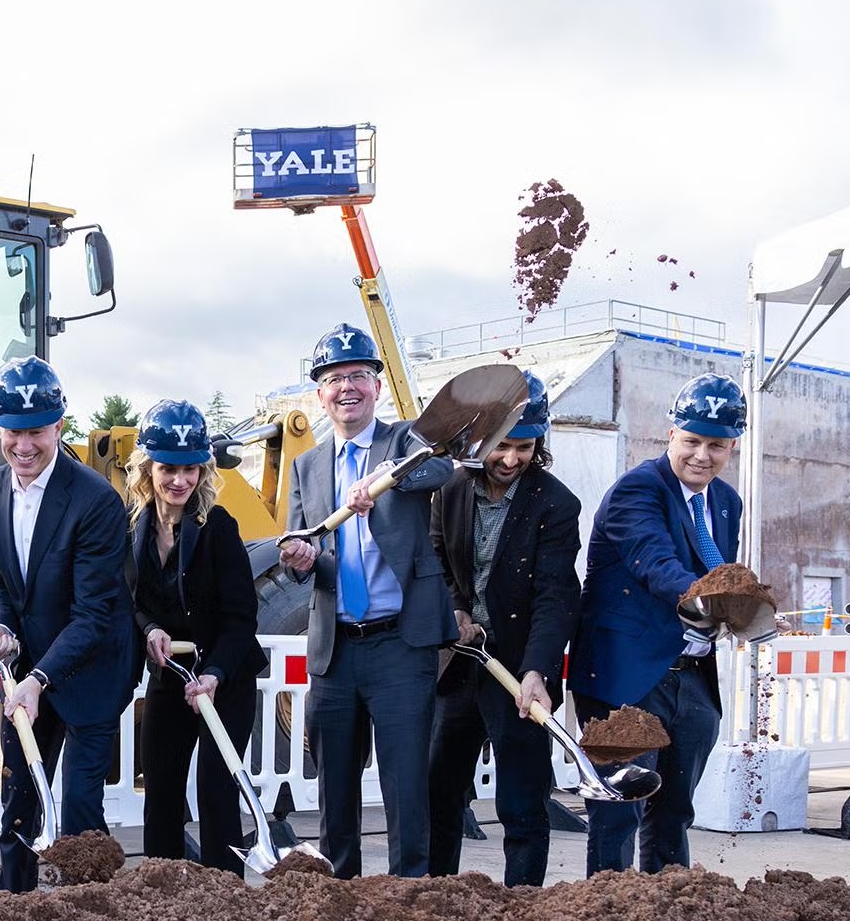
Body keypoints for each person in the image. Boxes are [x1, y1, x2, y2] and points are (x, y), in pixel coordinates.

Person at [278, 323, 455, 879]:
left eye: (358, 375)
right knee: (335, 785)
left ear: (377, 386)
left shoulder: (402, 442)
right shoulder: (308, 465)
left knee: (406, 782)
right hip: (336, 652)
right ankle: (340, 897)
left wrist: (387, 479)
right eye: (334, 379)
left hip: (400, 645)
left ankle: (409, 897)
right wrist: (302, 557)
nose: (346, 387)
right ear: (320, 393)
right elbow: (305, 544)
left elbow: (442, 467)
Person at [568, 372, 747, 875]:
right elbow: (655, 561)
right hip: (626, 678)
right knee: (618, 809)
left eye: (717, 445)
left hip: (693, 679)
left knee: (675, 815)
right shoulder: (638, 489)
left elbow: (719, 568)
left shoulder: (726, 503)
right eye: (692, 440)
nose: (702, 455)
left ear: (732, 445)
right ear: (671, 435)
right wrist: (713, 600)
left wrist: (734, 612)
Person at [0, 355, 133, 893]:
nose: (24, 446)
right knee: (17, 806)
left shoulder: (96, 500)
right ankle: (12, 916)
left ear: (59, 425)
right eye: (13, 432)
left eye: (37, 432)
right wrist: (0, 625)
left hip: (89, 675)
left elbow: (94, 614)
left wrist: (39, 679)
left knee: (79, 815)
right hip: (27, 680)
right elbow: (3, 581)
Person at [426, 372, 581, 885]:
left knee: (521, 799)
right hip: (460, 663)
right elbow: (437, 559)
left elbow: (556, 595)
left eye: (525, 447)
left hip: (518, 668)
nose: (512, 459)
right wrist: (454, 607)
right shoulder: (450, 490)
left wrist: (537, 668)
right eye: (502, 446)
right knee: (440, 790)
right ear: (482, 440)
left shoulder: (556, 505)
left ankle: (523, 907)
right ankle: (435, 899)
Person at [123, 400, 265, 873]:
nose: (179, 480)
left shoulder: (218, 528)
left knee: (216, 789)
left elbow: (242, 617)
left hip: (225, 678)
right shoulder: (136, 529)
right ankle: (160, 892)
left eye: (190, 469)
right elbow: (134, 603)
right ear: (149, 468)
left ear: (203, 471)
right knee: (161, 786)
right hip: (169, 674)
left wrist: (216, 675)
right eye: (168, 468)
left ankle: (224, 897)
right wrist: (151, 629)